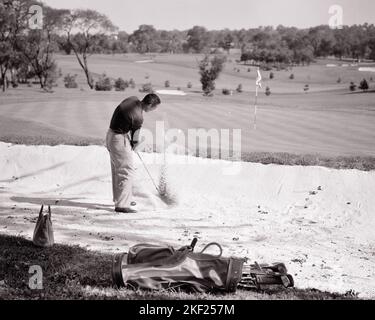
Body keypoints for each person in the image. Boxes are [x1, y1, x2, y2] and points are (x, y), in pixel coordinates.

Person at [106, 94, 161, 213]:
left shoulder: (132, 99)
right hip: (118, 139)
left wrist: (130, 141)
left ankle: (120, 199)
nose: (152, 111)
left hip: (111, 135)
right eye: (153, 108)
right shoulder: (139, 117)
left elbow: (125, 119)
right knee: (127, 170)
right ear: (150, 105)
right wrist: (134, 145)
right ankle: (122, 205)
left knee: (117, 169)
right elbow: (135, 138)